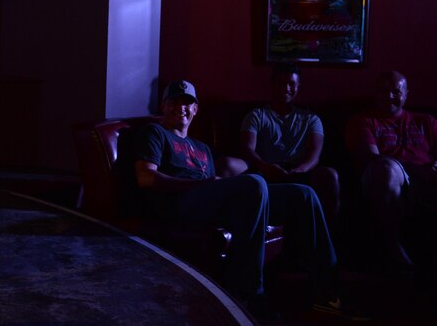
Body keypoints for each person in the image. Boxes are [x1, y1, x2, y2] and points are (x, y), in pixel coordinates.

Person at [120, 80, 350, 321]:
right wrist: (204, 185)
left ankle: (329, 293)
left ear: (196, 109)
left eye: (187, 103)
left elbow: (220, 180)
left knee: (303, 194)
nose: (181, 108)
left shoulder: (201, 147)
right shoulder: (155, 132)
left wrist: (228, 177)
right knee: (254, 184)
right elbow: (145, 178)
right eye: (174, 102)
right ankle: (249, 294)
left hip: (209, 201)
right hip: (179, 203)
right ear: (164, 107)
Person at [345, 71, 437, 276]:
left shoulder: (426, 121)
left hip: (427, 178)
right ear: (375, 93)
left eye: (396, 92)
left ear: (406, 94)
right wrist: (416, 171)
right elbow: (372, 157)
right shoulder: (364, 121)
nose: (389, 97)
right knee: (387, 170)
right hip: (387, 176)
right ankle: (395, 249)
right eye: (383, 91)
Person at [239, 63, 340, 224]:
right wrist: (265, 166)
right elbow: (247, 148)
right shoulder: (256, 115)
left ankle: (330, 234)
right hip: (265, 169)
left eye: (291, 83)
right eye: (281, 82)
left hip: (300, 172)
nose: (286, 88)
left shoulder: (311, 119)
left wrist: (297, 171)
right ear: (272, 84)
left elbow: (314, 155)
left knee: (330, 175)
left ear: (298, 86)